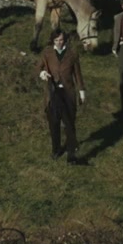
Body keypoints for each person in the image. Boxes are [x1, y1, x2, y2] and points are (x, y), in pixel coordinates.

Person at [36, 28, 86, 164]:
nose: (59, 42)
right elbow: (38, 67)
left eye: (62, 40)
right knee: (54, 123)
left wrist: (81, 91)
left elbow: (78, 74)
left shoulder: (72, 54)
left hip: (67, 93)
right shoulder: (47, 53)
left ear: (65, 40)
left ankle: (71, 154)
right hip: (53, 93)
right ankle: (56, 149)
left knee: (69, 124)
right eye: (57, 40)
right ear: (53, 40)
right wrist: (42, 73)